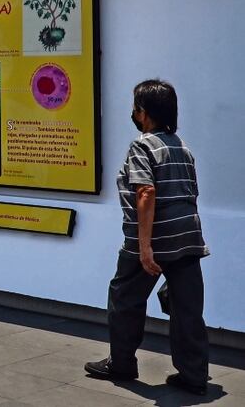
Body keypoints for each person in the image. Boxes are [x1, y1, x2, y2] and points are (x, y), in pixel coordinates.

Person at [85, 80, 210, 396]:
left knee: (125, 298)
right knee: (188, 308)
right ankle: (194, 375)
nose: (133, 112)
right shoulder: (182, 147)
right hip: (187, 236)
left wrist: (144, 248)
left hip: (151, 240)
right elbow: (188, 192)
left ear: (144, 112)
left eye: (135, 106)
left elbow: (146, 192)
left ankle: (122, 363)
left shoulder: (142, 146)